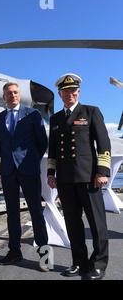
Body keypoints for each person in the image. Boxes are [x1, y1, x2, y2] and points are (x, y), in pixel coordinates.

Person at [47, 73, 110, 280]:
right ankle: (79, 263)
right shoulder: (56, 119)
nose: (69, 94)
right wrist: (50, 173)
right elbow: (53, 150)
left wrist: (102, 172)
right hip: (65, 180)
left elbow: (103, 144)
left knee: (97, 224)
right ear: (60, 93)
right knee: (73, 225)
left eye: (73, 90)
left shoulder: (90, 112)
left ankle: (99, 264)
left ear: (78, 91)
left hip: (89, 178)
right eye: (65, 91)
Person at [0, 82, 49, 270]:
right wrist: (9, 161)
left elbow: (42, 142)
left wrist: (31, 160)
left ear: (20, 95)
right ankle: (14, 251)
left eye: (15, 92)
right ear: (4, 97)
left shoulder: (32, 114)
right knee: (12, 213)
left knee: (36, 212)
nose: (13, 96)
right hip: (9, 171)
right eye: (9, 93)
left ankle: (44, 254)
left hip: (28, 168)